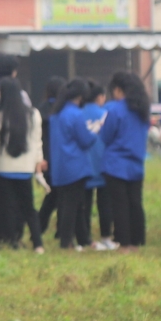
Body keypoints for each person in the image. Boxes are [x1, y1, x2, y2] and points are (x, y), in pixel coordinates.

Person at [0, 75, 44, 252]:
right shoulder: (33, 114)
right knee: (29, 207)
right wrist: (38, 162)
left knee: (9, 208)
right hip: (26, 169)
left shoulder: (0, 116)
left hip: (3, 169)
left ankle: (13, 241)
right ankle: (38, 243)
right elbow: (37, 141)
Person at [99, 72, 151, 250]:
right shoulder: (143, 109)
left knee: (119, 205)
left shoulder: (114, 109)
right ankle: (138, 240)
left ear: (118, 90)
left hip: (115, 164)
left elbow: (106, 136)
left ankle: (124, 242)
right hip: (136, 163)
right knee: (135, 203)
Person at [49, 79, 101, 251]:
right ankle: (66, 242)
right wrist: (95, 131)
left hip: (59, 165)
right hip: (75, 165)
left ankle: (83, 239)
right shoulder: (76, 114)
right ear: (81, 95)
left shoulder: (56, 114)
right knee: (73, 206)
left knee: (72, 203)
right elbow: (85, 140)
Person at [35, 76, 65, 238]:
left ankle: (40, 228)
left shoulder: (40, 109)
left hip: (45, 157)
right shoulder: (63, 110)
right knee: (60, 197)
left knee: (52, 195)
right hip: (61, 156)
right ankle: (59, 230)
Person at [83, 84, 111, 248]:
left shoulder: (78, 114)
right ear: (100, 97)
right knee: (105, 204)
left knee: (84, 205)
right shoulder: (106, 115)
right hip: (103, 165)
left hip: (84, 167)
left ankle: (85, 237)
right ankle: (106, 236)